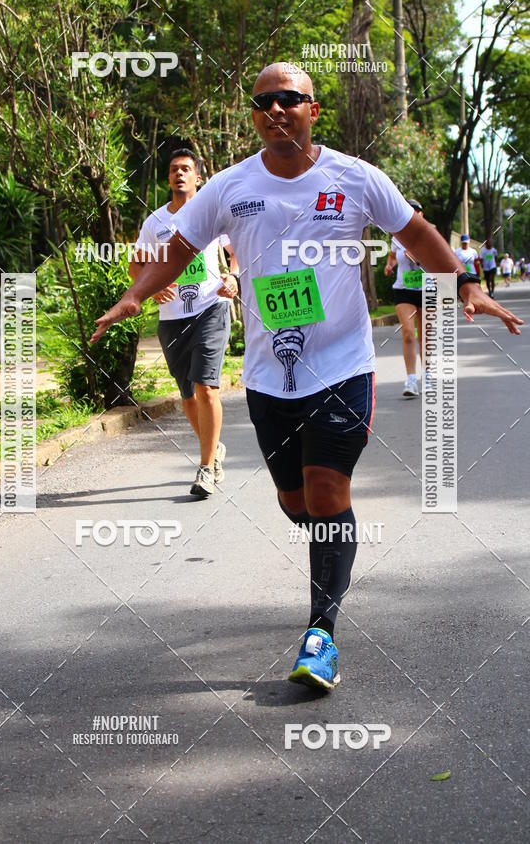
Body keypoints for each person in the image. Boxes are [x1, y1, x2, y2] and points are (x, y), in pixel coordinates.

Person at [91, 64, 522, 692]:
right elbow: (181, 248)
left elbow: (417, 232)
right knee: (297, 502)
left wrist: (468, 284)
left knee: (324, 491)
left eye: (287, 99)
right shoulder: (232, 187)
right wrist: (135, 296)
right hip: (269, 376)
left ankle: (321, 633)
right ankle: (334, 535)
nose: (274, 109)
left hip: (343, 365)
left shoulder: (354, 177)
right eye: (263, 101)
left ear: (312, 109)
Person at [131, 148, 239, 497]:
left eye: (186, 169)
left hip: (211, 307)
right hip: (172, 319)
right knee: (188, 396)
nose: (180, 173)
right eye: (174, 169)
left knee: (207, 387)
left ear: (198, 178)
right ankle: (214, 448)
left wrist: (234, 276)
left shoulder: (212, 214)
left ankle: (206, 467)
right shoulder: (155, 223)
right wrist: (152, 287)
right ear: (168, 178)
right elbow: (137, 267)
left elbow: (236, 253)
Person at [384, 199, 426, 397]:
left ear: (422, 215)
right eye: (411, 211)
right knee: (409, 333)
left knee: (426, 336)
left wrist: (417, 257)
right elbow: (393, 256)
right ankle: (410, 380)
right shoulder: (397, 237)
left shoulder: (428, 236)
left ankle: (427, 375)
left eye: (417, 212)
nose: (414, 214)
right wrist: (389, 265)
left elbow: (436, 263)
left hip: (427, 290)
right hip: (404, 290)